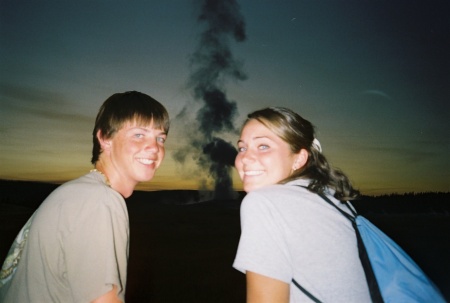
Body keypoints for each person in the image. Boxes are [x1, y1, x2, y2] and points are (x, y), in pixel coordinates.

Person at [0, 91, 170, 303]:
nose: (155, 147)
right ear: (105, 138)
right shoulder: (98, 200)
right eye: (139, 135)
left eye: (160, 138)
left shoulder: (78, 194)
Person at [232, 107, 371, 302]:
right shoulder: (332, 198)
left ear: (299, 158)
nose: (245, 158)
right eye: (242, 148)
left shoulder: (264, 203)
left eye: (263, 146)